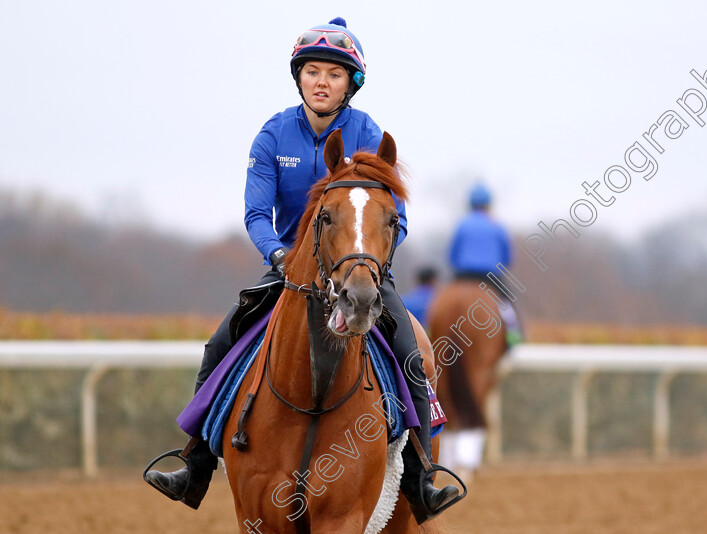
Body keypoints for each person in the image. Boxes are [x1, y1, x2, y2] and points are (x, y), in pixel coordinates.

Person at [145, 17, 460, 524]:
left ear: (350, 84)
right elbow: (255, 214)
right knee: (221, 342)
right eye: (312, 71)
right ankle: (195, 462)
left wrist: (373, 266)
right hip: (289, 272)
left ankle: (422, 474)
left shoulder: (369, 133)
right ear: (299, 78)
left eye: (334, 74)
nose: (321, 81)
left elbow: (392, 218)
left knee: (413, 352)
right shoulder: (272, 134)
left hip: (361, 274)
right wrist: (279, 256)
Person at [448, 183, 522, 344]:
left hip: (462, 276)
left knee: (440, 302)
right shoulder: (497, 226)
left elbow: (452, 257)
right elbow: (507, 259)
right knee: (508, 305)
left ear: (470, 204)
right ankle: (515, 336)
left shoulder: (462, 224)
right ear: (489, 204)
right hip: (490, 278)